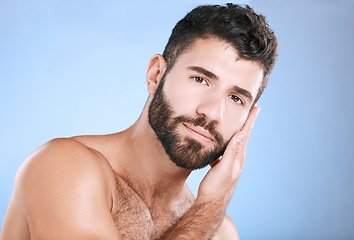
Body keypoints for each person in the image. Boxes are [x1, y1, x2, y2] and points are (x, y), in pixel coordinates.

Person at [1, 3, 277, 239]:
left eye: (236, 99)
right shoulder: (62, 167)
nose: (213, 112)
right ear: (156, 75)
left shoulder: (219, 231)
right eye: (200, 79)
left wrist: (209, 209)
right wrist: (212, 205)